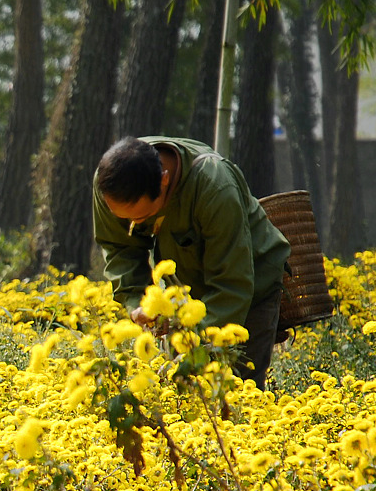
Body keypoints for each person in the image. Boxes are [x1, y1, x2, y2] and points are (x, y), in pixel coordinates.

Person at [92, 136, 290, 389]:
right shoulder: (110, 182)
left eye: (142, 217)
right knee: (183, 394)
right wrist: (138, 305)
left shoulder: (214, 185)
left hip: (249, 286)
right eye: (126, 220)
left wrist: (191, 344)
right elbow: (119, 249)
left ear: (164, 180)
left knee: (239, 392)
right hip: (185, 294)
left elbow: (233, 285)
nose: (136, 226)